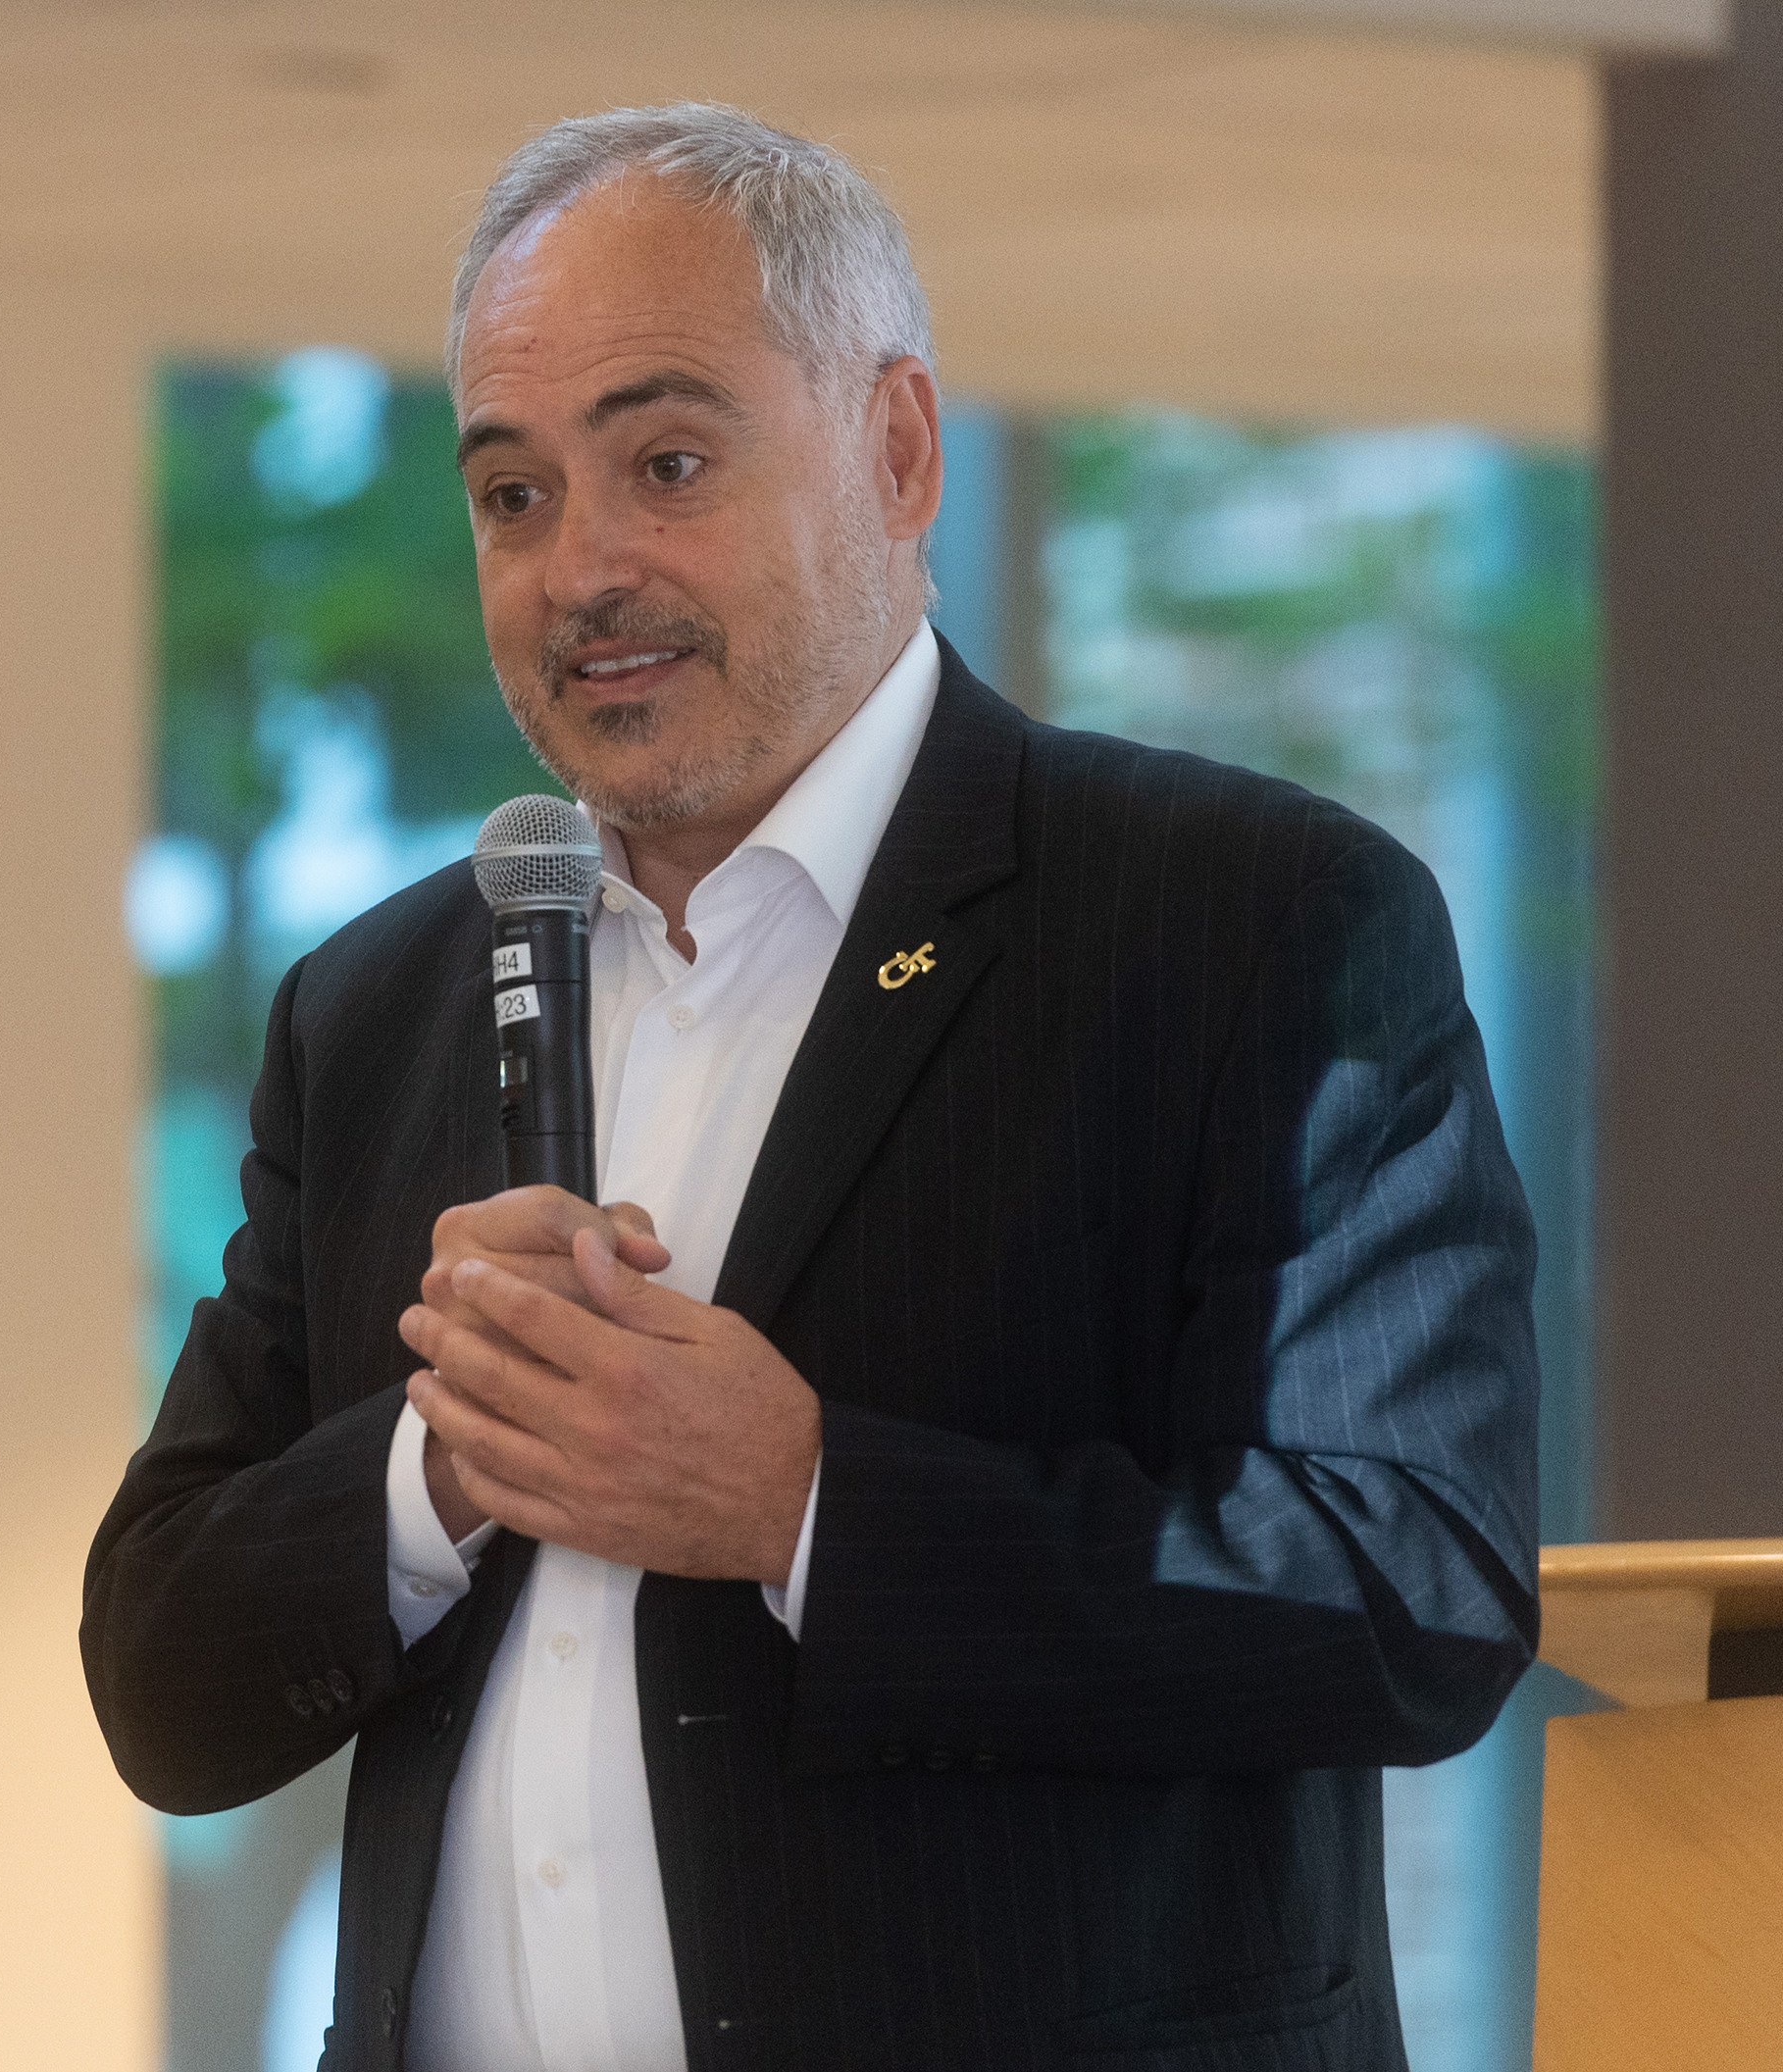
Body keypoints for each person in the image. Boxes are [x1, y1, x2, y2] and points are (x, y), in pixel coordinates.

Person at [85, 103, 1539, 2072]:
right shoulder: (382, 1004)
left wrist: (808, 1505)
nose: (579, 566)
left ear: (901, 449)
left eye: (665, 463)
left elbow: (1408, 1584)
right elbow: (164, 1679)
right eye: (512, 495)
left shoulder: (1251, 922)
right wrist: (442, 1469)